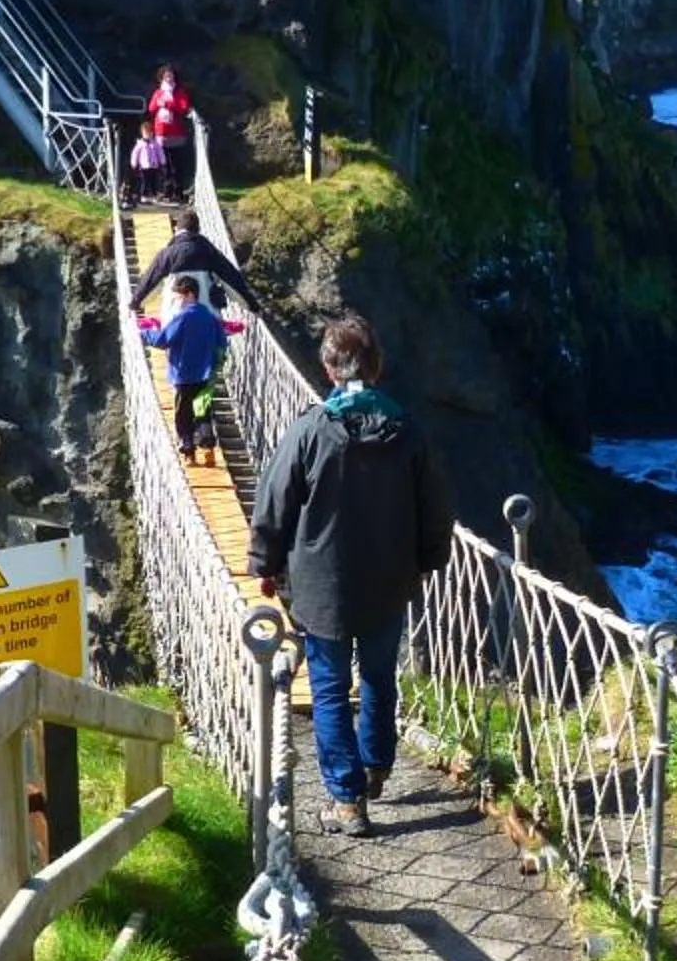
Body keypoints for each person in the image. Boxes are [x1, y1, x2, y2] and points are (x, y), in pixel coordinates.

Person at [249, 316, 454, 836]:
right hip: (390, 581)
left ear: (327, 368)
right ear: (378, 366)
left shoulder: (310, 431)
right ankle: (377, 766)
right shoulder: (408, 432)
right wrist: (431, 558)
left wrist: (265, 564)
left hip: (323, 589)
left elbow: (274, 502)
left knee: (331, 689)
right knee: (380, 678)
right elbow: (435, 506)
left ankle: (347, 802)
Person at [141, 275, 230, 466]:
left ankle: (189, 452)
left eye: (178, 297)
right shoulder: (210, 317)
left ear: (190, 295)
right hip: (205, 375)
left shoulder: (182, 318)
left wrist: (144, 332)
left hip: (183, 375)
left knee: (183, 415)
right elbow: (222, 343)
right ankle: (208, 450)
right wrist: (216, 364)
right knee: (203, 411)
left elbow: (162, 340)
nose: (176, 302)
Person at [130, 209, 261, 316]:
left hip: (176, 319)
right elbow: (233, 281)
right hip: (207, 320)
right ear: (198, 230)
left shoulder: (166, 254)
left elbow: (148, 284)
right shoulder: (210, 252)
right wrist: (252, 306)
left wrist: (135, 304)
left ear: (176, 229)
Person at [146, 64, 194, 201]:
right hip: (161, 133)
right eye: (166, 76)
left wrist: (167, 104)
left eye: (171, 75)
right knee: (164, 164)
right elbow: (151, 108)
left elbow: (183, 108)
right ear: (161, 77)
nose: (168, 78)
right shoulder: (158, 92)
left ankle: (178, 191)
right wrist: (160, 102)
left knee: (177, 165)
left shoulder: (179, 92)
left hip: (176, 133)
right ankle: (167, 191)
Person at [125, 123, 164, 209]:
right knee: (144, 182)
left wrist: (162, 161)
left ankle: (154, 195)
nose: (148, 135)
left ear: (152, 133)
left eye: (149, 133)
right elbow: (135, 154)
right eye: (146, 133)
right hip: (144, 166)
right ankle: (143, 196)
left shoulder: (155, 143)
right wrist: (134, 163)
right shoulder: (140, 144)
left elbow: (160, 152)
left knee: (154, 181)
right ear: (142, 133)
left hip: (154, 166)